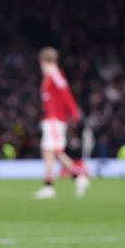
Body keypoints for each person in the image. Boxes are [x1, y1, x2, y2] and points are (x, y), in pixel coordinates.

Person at [34, 47, 90, 198]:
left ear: (44, 61)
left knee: (49, 150)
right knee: (55, 152)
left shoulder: (55, 75)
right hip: (52, 119)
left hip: (54, 119)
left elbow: (66, 95)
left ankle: (49, 186)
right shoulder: (50, 77)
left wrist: (74, 113)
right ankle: (78, 177)